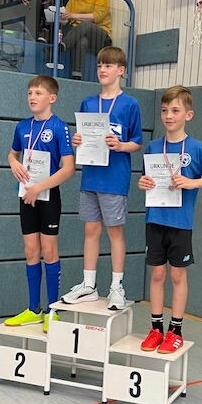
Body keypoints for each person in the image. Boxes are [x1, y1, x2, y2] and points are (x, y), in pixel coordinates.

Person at [138, 86, 202, 354]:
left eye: (175, 110)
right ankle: (156, 328)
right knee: (157, 273)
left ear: (188, 115)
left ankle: (175, 330)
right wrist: (143, 182)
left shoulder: (196, 148)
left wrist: (192, 182)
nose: (169, 115)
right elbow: (147, 179)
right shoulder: (153, 146)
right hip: (155, 218)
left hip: (181, 223)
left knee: (177, 274)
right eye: (165, 110)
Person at [61, 46, 142, 310]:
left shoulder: (130, 104)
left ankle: (117, 286)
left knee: (115, 232)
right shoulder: (88, 103)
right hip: (91, 177)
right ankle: (89, 285)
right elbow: (83, 137)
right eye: (99, 65)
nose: (102, 70)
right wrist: (77, 140)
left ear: (121, 70)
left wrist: (121, 145)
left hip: (114, 178)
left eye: (108, 65)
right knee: (91, 230)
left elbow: (137, 142)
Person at [5, 75, 75, 332]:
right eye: (30, 93)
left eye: (38, 93)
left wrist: (39, 187)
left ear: (52, 98)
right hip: (26, 195)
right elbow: (12, 153)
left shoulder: (59, 127)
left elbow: (68, 169)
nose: (32, 97)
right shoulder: (22, 127)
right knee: (31, 251)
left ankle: (52, 311)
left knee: (49, 251)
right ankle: (33, 309)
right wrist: (13, 163)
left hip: (47, 197)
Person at [60, 0, 111, 79]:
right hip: (80, 35)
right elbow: (67, 18)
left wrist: (73, 15)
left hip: (101, 37)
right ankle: (77, 74)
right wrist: (62, 17)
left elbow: (96, 17)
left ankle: (63, 45)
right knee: (82, 41)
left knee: (86, 24)